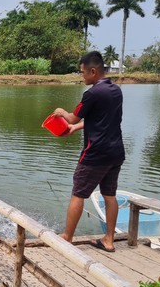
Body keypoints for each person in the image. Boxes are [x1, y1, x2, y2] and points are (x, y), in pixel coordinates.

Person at [52, 51, 124, 252]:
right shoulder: (115, 90)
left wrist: (62, 114)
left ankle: (67, 237)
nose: (82, 76)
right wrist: (77, 128)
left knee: (78, 193)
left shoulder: (92, 93)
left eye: (83, 73)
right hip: (116, 153)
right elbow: (102, 120)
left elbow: (72, 118)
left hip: (95, 154)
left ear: (93, 71)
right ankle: (109, 240)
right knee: (109, 195)